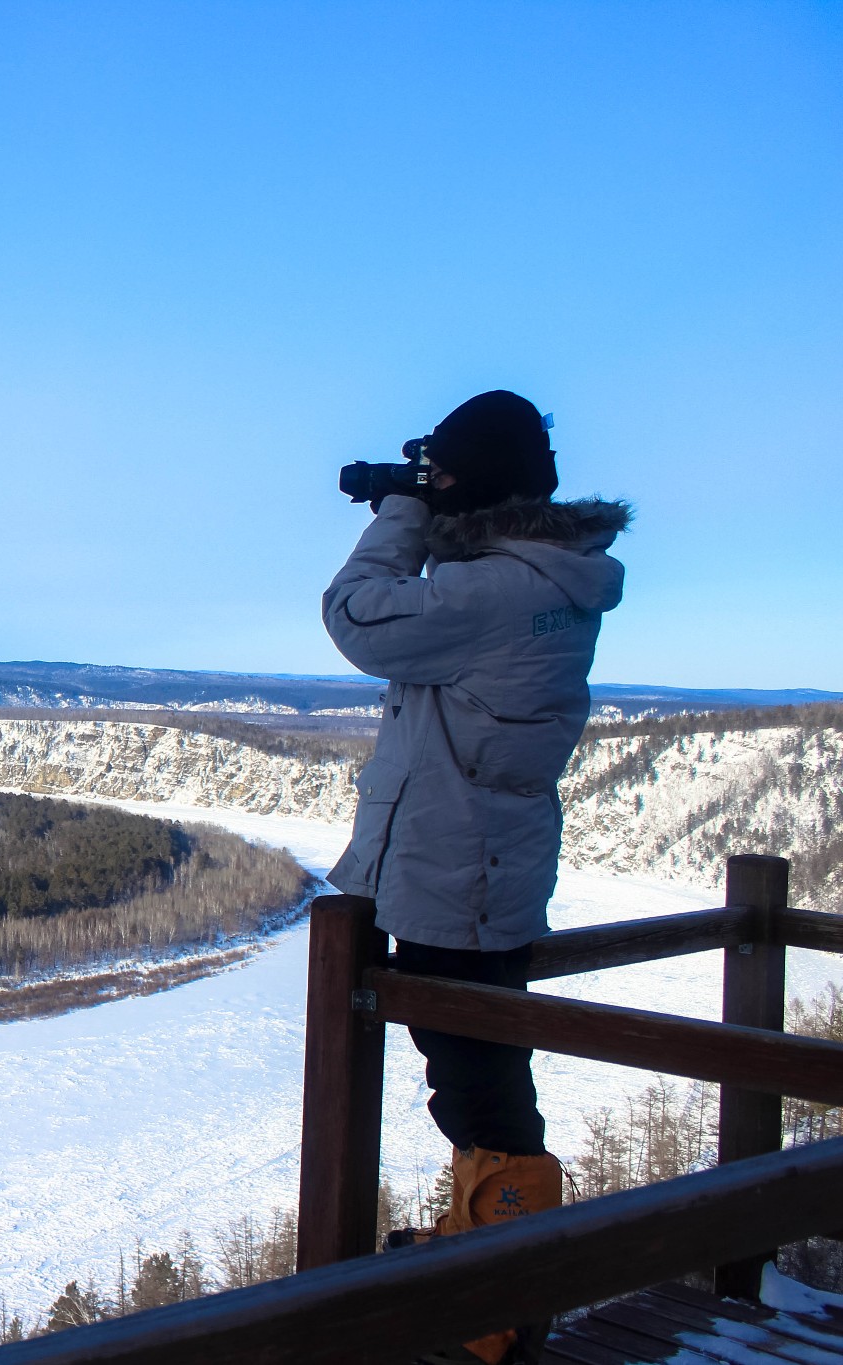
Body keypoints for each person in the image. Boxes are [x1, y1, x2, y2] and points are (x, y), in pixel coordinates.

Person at [322, 389, 631, 1365]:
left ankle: (497, 1299)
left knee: (472, 1077)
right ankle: (487, 1255)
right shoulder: (543, 579)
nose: (428, 492)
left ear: (475, 486)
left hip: (458, 868)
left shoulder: (495, 591)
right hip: (481, 861)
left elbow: (356, 617)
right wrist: (431, 504)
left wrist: (400, 517)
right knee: (476, 1066)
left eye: (444, 476)